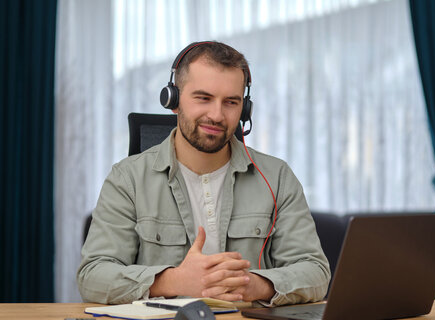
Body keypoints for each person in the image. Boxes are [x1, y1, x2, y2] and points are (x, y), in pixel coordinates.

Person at [77, 41, 330, 306]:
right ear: (173, 101)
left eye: (231, 102)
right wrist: (175, 281)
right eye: (203, 98)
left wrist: (253, 285)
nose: (217, 115)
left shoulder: (277, 177)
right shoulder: (127, 179)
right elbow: (93, 276)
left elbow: (316, 272)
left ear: (244, 110)